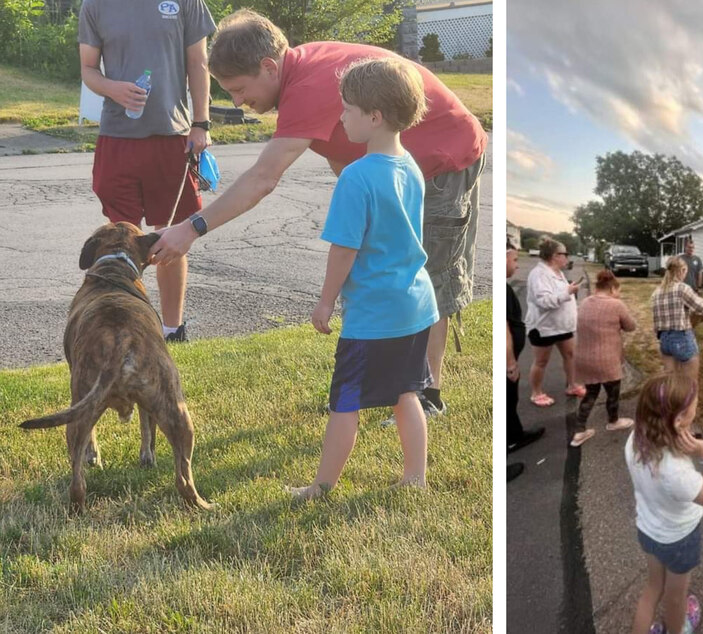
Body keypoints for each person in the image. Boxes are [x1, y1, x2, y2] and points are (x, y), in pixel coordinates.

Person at [149, 9, 487, 418]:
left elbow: (263, 178)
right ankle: (398, 385)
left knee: (425, 277)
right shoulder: (302, 69)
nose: (238, 102)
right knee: (392, 275)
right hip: (404, 166)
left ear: (269, 66)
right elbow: (342, 148)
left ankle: (426, 394)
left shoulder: (309, 85)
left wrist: (192, 227)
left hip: (442, 162)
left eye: (239, 89)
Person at [286, 57, 437, 500]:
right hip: (414, 304)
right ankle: (415, 477)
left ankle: (321, 486)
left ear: (374, 117)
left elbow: (345, 248)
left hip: (373, 313)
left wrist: (325, 301)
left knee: (345, 401)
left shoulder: (355, 178)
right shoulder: (409, 165)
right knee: (406, 392)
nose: (341, 116)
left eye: (347, 109)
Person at [78, 0, 216, 343]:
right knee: (120, 239)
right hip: (117, 137)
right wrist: (114, 89)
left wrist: (201, 123)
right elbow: (88, 70)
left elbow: (198, 63)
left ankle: (172, 329)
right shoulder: (94, 5)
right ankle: (124, 327)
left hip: (172, 136)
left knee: (169, 236)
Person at [626, 373, 703, 634]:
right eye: (694, 406)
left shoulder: (635, 439)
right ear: (679, 420)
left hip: (648, 529)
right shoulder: (676, 473)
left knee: (652, 588)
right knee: (676, 597)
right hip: (678, 539)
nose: (698, 407)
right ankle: (677, 628)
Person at [571, 269, 637, 447]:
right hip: (607, 359)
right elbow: (631, 326)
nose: (619, 294)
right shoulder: (616, 305)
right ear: (613, 289)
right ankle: (613, 421)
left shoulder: (584, 303)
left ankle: (579, 431)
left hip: (585, 358)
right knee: (612, 393)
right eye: (619, 290)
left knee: (590, 394)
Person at [525, 237, 584, 406]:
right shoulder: (539, 274)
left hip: (562, 326)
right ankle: (536, 393)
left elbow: (560, 293)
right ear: (554, 255)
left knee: (571, 356)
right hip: (544, 327)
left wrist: (568, 289)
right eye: (565, 253)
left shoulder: (559, 273)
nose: (567, 257)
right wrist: (568, 292)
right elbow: (544, 301)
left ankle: (572, 385)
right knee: (541, 362)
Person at [507, 240, 545, 479]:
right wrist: (510, 362)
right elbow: (504, 328)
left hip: (510, 357)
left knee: (511, 399)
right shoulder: (504, 289)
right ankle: (508, 443)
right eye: (514, 260)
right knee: (507, 399)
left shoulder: (507, 287)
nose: (517, 265)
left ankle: (515, 434)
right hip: (506, 361)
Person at [651, 257, 703, 381]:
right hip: (682, 338)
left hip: (664, 341)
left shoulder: (656, 292)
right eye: (685, 271)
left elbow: (656, 321)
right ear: (682, 270)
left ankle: (670, 400)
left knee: (671, 382)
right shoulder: (682, 288)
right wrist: (702, 301)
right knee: (690, 386)